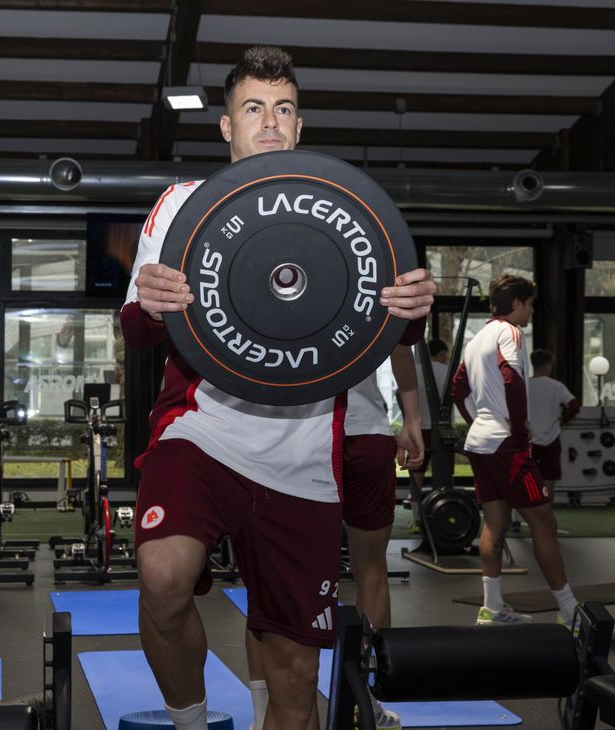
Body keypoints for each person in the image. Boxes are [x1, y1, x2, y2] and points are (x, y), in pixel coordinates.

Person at [121, 46, 436, 730]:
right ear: (226, 126)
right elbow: (138, 331)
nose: (269, 122)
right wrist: (149, 303)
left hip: (303, 461)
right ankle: (190, 723)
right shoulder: (182, 206)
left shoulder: (345, 208)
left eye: (283, 109)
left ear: (299, 126)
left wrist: (413, 308)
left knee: (294, 684)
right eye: (253, 108)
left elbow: (390, 327)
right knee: (164, 577)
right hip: (202, 432)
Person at [245, 347, 425, 730]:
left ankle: (264, 716)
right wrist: (412, 420)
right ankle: (367, 706)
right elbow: (400, 349)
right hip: (360, 433)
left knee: (271, 581)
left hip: (298, 437)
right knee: (371, 569)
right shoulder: (375, 298)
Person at [450, 275, 581, 629]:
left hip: (481, 442)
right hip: (506, 443)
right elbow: (511, 377)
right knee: (545, 522)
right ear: (518, 303)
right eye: (530, 305)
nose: (532, 311)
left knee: (495, 523)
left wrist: (479, 421)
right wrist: (519, 429)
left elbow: (458, 390)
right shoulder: (511, 332)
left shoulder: (476, 340)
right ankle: (570, 611)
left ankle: (492, 608)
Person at [406, 339, 449, 533]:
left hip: (419, 428)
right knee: (445, 476)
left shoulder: (414, 370)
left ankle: (416, 519)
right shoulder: (446, 370)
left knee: (416, 476)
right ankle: (444, 515)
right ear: (441, 353)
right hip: (442, 430)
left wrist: (408, 418)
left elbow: (400, 394)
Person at [527, 349, 580, 494]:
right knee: (549, 477)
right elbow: (574, 405)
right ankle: (547, 504)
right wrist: (563, 420)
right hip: (551, 439)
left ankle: (531, 503)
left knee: (528, 475)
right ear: (547, 365)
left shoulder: (526, 386)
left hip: (530, 438)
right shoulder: (556, 386)